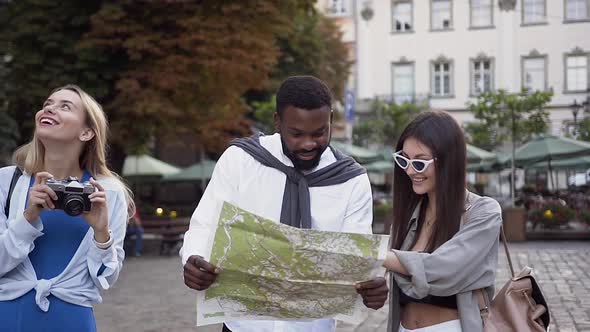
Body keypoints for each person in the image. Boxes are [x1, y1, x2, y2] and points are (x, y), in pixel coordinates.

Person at [181, 75, 388, 332]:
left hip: (314, 327)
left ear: (331, 120)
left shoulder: (352, 180)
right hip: (242, 326)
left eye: (320, 132)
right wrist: (194, 259)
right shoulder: (240, 161)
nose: (309, 144)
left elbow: (355, 258)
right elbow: (205, 223)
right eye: (297, 133)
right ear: (278, 122)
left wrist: (371, 286)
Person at [0, 84, 134, 331]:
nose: (49, 109)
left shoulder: (109, 193)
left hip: (72, 320)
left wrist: (102, 234)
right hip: (9, 317)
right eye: (47, 105)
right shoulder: (7, 182)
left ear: (86, 133)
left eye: (65, 106)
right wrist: (28, 217)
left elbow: (106, 277)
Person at [382, 111, 502, 332]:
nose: (409, 170)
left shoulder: (483, 212)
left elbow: (444, 268)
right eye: (404, 160)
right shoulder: (406, 217)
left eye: (420, 163)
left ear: (448, 161)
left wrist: (379, 255)